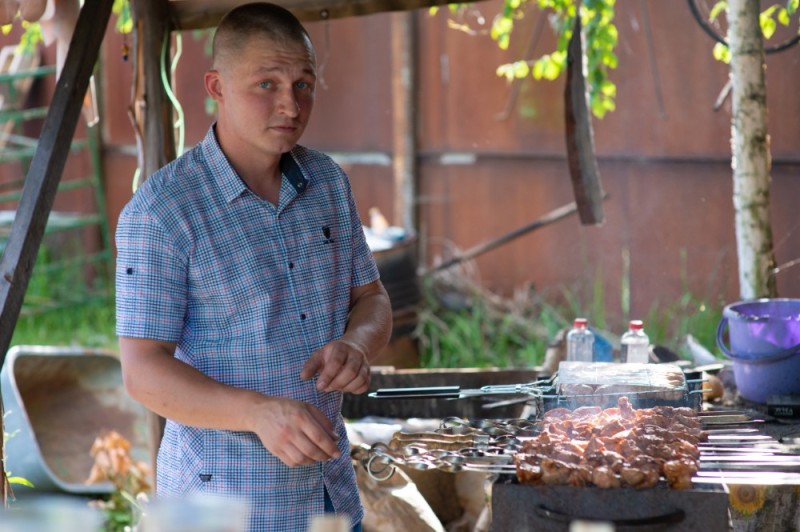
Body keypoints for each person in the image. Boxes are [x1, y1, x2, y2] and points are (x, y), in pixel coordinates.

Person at [114, 3, 392, 531]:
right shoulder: (163, 211)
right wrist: (255, 413)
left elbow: (372, 298)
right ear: (216, 86)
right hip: (222, 509)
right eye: (267, 84)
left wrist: (358, 344)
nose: (290, 104)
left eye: (303, 85)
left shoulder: (327, 182)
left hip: (331, 495)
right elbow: (142, 370)